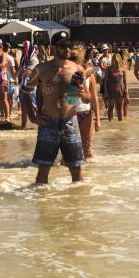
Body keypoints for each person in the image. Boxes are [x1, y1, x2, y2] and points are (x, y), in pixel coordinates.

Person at [21, 31, 89, 184]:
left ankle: (78, 205)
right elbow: (25, 92)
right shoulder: (42, 69)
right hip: (48, 123)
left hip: (69, 122)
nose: (67, 50)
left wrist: (84, 94)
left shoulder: (77, 69)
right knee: (43, 169)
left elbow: (87, 98)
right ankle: (42, 204)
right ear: (53, 47)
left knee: (76, 169)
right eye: (63, 46)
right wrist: (32, 117)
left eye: (69, 46)